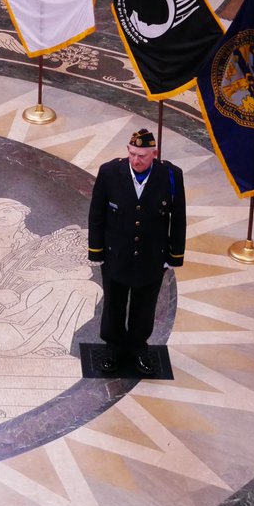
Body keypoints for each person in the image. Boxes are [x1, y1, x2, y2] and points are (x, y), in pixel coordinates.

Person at [87, 128, 185, 375]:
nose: (136, 160)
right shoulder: (110, 172)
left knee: (145, 305)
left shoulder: (171, 176)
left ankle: (139, 347)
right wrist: (96, 251)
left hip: (152, 256)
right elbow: (96, 214)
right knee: (114, 304)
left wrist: (174, 255)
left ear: (155, 154)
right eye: (132, 154)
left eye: (142, 155)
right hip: (116, 254)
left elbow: (179, 218)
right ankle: (113, 348)